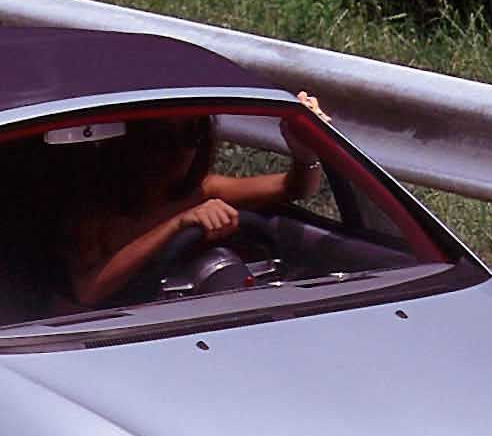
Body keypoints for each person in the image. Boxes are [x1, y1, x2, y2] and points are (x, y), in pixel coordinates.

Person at [63, 96, 329, 307]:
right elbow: (88, 291)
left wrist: (305, 153)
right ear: (131, 141)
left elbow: (294, 187)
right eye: (161, 139)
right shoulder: (94, 206)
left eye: (191, 134)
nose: (179, 151)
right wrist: (177, 224)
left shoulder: (203, 190)